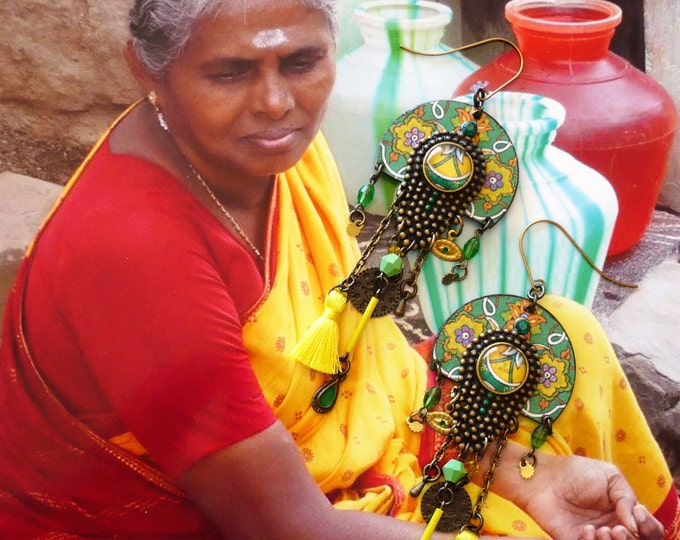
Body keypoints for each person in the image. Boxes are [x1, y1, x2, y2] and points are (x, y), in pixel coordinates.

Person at [0, 0, 676, 538]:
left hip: (312, 474)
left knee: (558, 334)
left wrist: (515, 469)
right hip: (229, 516)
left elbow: (363, 359)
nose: (274, 101)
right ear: (149, 71)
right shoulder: (136, 254)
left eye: (301, 61)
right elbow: (281, 525)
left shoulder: (277, 154)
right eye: (230, 72)